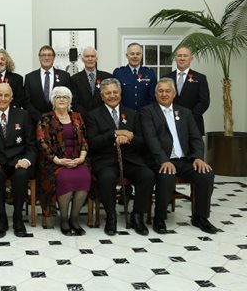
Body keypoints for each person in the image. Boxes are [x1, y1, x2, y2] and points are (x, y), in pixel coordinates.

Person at [141, 78, 218, 234]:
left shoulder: (185, 112)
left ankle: (200, 217)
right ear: (155, 95)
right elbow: (152, 140)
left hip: (185, 160)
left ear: (174, 94)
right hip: (160, 160)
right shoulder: (147, 112)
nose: (164, 94)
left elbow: (196, 138)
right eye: (160, 91)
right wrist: (164, 160)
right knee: (167, 175)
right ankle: (160, 218)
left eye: (167, 91)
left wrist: (198, 158)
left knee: (206, 174)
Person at [85, 78, 154, 236]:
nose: (112, 96)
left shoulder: (132, 114)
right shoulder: (93, 115)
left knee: (147, 175)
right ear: (102, 96)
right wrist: (114, 134)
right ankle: (111, 217)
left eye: (115, 92)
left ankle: (137, 216)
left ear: (121, 94)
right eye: (108, 93)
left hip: (130, 159)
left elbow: (143, 141)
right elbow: (92, 142)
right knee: (107, 178)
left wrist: (129, 138)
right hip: (106, 161)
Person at [0, 83, 36, 238]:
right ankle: (2, 217)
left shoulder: (23, 115)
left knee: (22, 175)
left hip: (18, 162)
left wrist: (26, 160)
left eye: (6, 95)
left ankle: (18, 217)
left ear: (11, 97)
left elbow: (31, 145)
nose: (2, 99)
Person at [37, 86, 91, 236]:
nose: (62, 99)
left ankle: (74, 219)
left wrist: (81, 158)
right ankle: (64, 220)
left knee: (84, 176)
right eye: (58, 97)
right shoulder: (46, 118)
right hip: (55, 161)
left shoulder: (77, 117)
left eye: (65, 97)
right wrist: (58, 160)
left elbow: (85, 139)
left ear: (70, 101)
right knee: (65, 177)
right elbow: (42, 142)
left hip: (77, 159)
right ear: (53, 101)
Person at [162, 46, 210, 135]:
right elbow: (161, 100)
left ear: (191, 59)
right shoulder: (166, 78)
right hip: (170, 122)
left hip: (193, 122)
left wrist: (188, 116)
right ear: (175, 58)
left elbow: (204, 102)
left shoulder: (200, 78)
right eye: (179, 56)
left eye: (185, 56)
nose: (182, 58)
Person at [24, 45, 71, 124]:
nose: (46, 58)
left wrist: (57, 116)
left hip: (59, 121)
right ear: (39, 58)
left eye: (49, 55)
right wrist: (40, 118)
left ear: (54, 58)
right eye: (43, 55)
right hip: (36, 122)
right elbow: (26, 101)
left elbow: (69, 98)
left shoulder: (64, 76)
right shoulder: (30, 77)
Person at [70, 47, 113, 119]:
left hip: (104, 118)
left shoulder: (107, 77)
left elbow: (111, 98)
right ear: (82, 59)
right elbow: (74, 102)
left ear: (96, 58)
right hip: (83, 118)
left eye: (92, 56)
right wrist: (87, 115)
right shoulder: (74, 79)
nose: (90, 59)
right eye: (87, 56)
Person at [112, 43, 156, 111]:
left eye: (138, 54)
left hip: (145, 114)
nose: (135, 56)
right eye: (132, 54)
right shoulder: (118, 73)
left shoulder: (150, 73)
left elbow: (153, 97)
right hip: (125, 114)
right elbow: (115, 95)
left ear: (142, 56)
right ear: (127, 56)